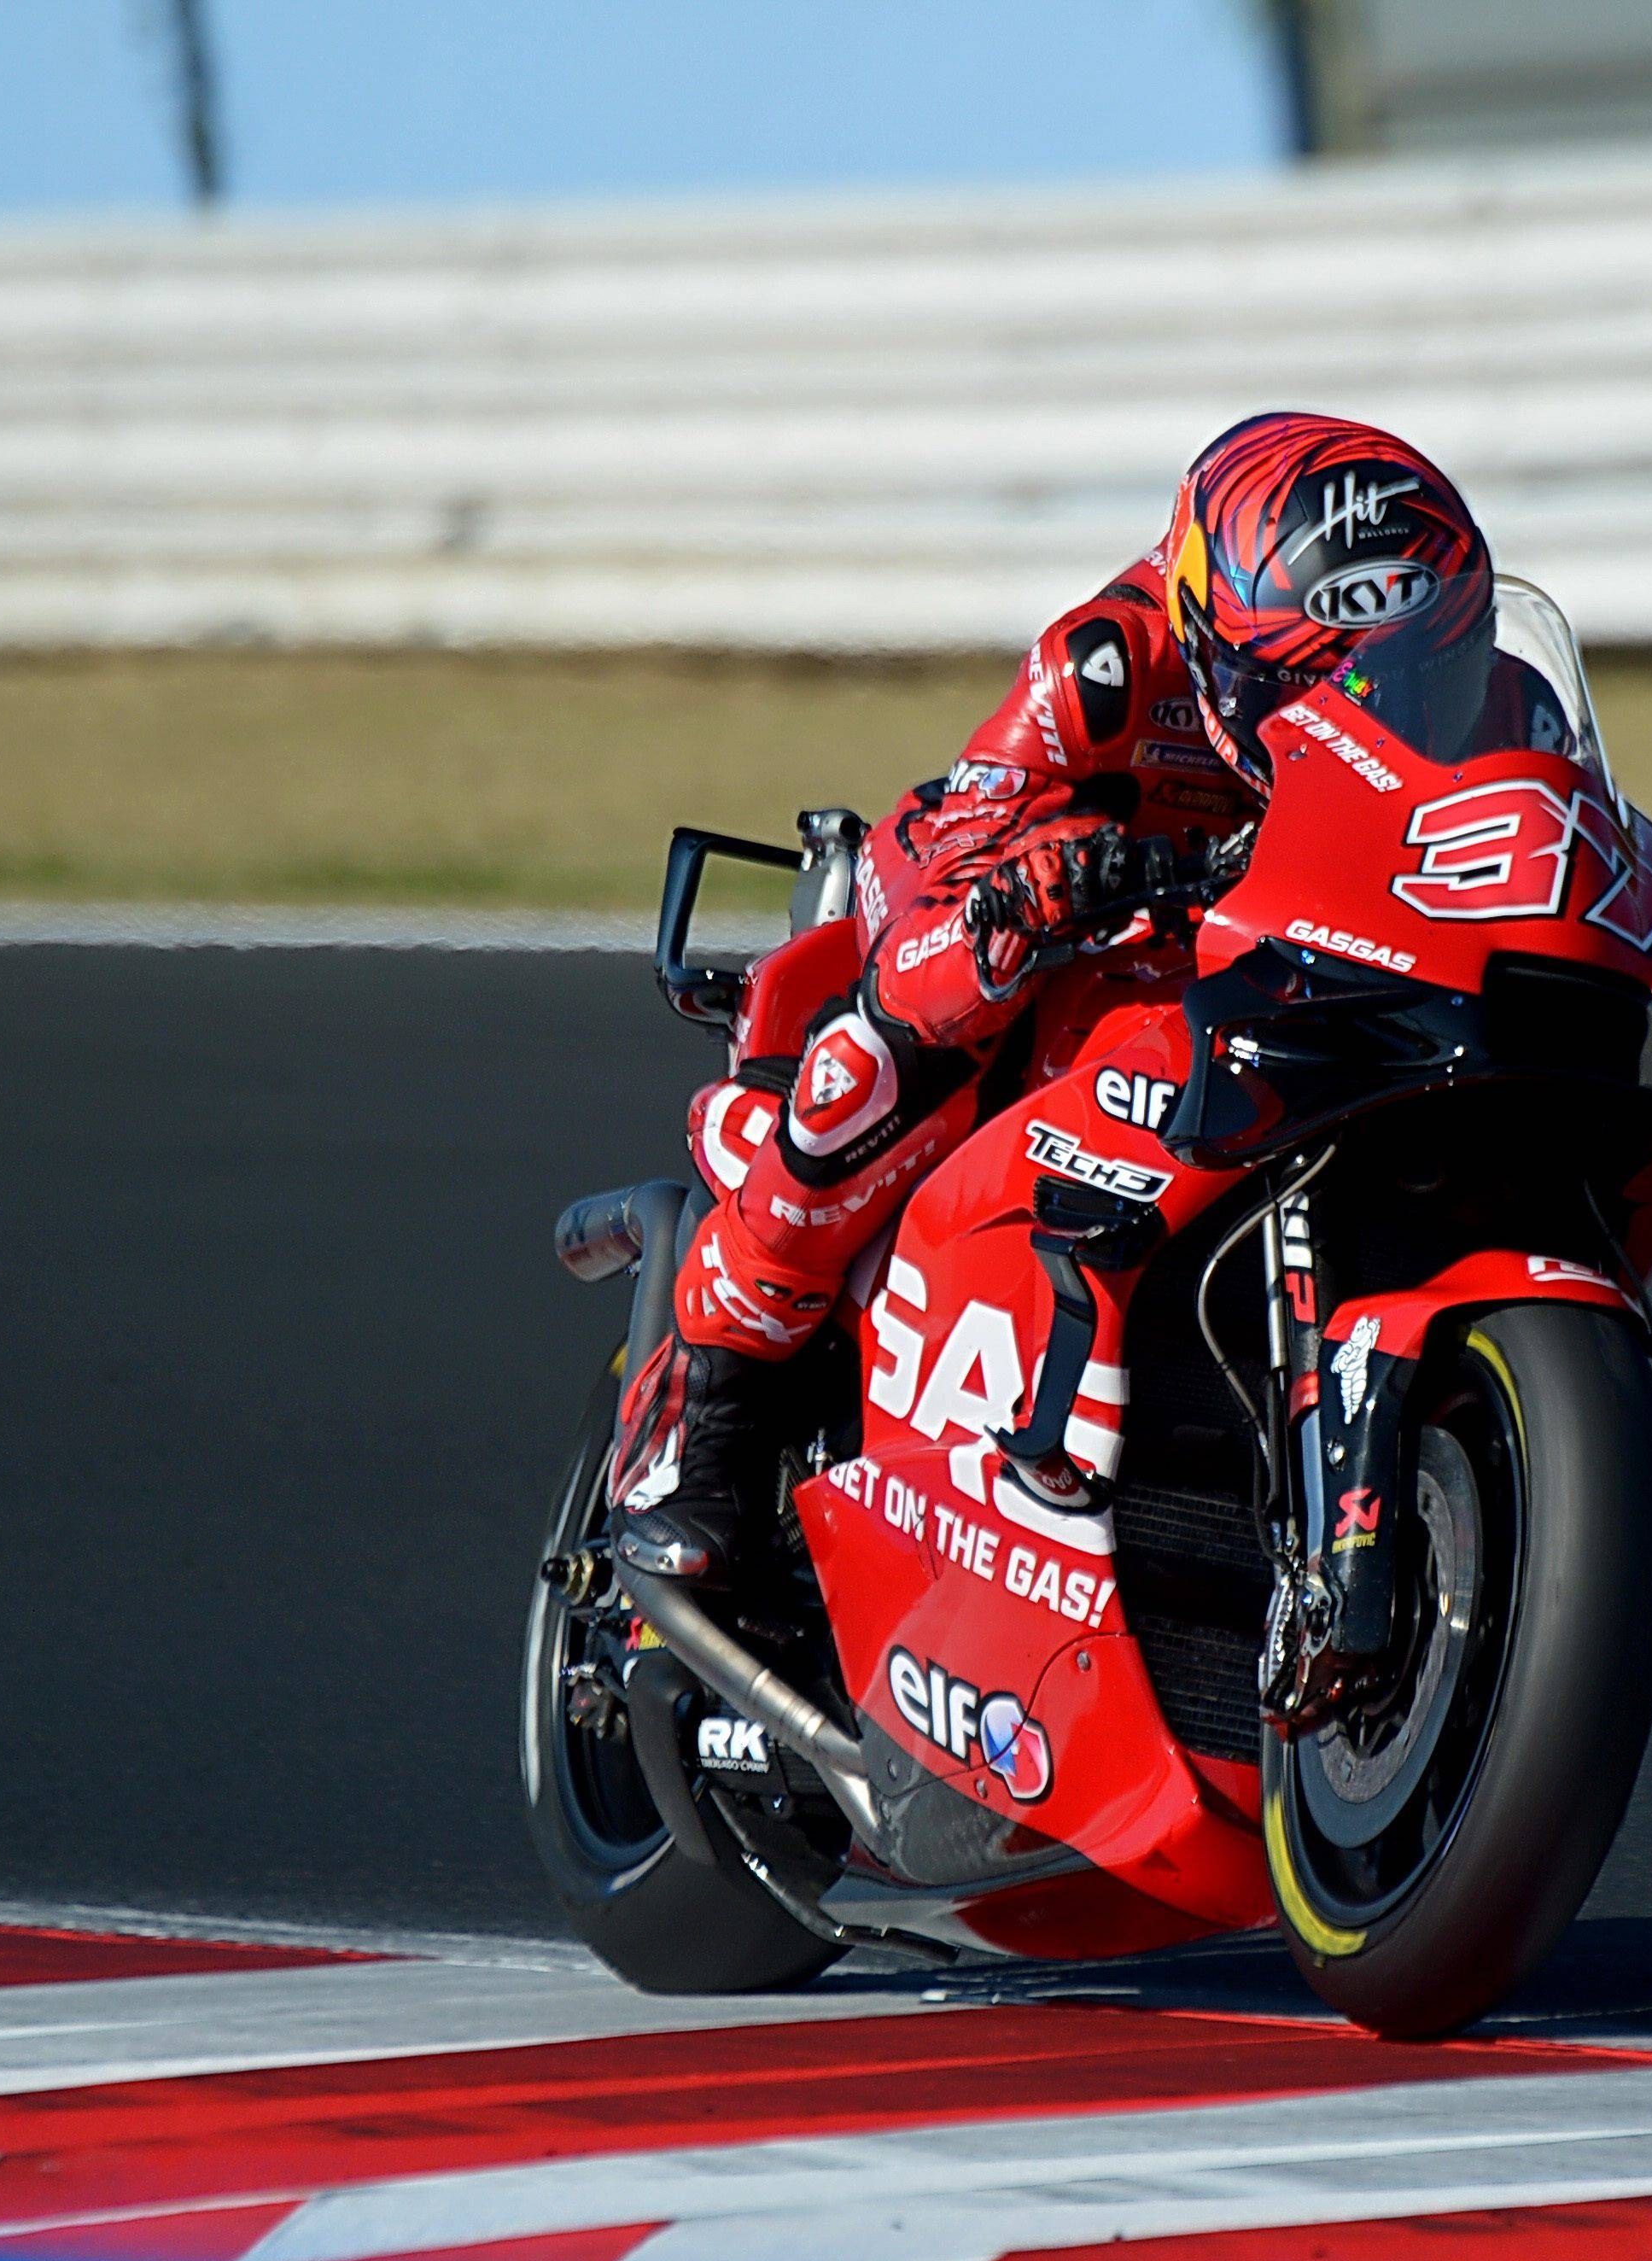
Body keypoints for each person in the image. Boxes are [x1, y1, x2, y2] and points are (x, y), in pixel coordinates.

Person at [607, 412, 1504, 1591]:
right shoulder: (1104, 666)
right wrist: (1038, 891)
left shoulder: (1480, 714)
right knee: (897, 1042)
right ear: (1214, 641)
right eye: (1314, 686)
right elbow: (943, 907)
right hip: (1037, 911)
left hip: (1267, 968)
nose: (1370, 709)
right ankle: (711, 1394)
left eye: (1410, 675)